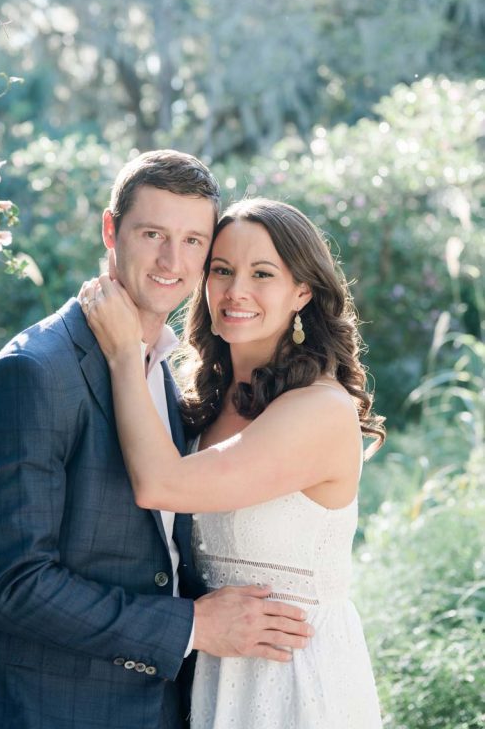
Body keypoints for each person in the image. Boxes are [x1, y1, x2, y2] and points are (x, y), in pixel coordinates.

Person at [0, 155, 314, 729]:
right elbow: (17, 587)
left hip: (171, 703)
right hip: (56, 708)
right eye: (152, 234)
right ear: (111, 230)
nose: (171, 262)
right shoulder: (34, 372)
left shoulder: (169, 371)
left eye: (193, 240)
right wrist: (194, 627)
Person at [81, 196, 385, 729]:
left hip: (294, 677)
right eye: (221, 270)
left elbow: (158, 485)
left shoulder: (319, 410)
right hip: (211, 666)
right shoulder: (207, 402)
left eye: (261, 273)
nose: (235, 291)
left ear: (303, 291)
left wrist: (123, 352)